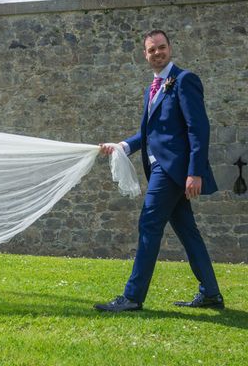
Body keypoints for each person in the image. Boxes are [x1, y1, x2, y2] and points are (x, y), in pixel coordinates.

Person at [95, 30, 222, 312]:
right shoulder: (152, 88)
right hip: (162, 171)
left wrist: (195, 171)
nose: (157, 53)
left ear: (170, 48)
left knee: (149, 225)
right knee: (188, 232)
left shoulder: (184, 80)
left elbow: (198, 129)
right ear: (145, 54)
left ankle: (132, 297)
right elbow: (151, 134)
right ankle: (211, 293)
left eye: (161, 48)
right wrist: (122, 146)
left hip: (173, 171)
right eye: (151, 50)